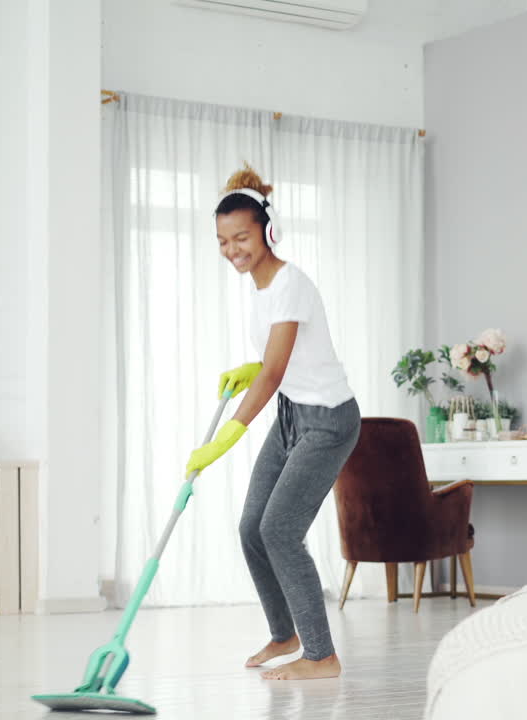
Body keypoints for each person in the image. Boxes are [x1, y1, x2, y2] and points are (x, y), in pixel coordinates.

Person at [185, 164, 360, 681]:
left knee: (280, 529)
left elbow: (277, 371)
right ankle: (285, 632)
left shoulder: (291, 284)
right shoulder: (260, 289)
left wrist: (225, 439)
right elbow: (275, 364)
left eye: (240, 236)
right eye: (222, 240)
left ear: (267, 231)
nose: (231, 249)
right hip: (291, 415)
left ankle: (321, 655)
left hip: (328, 420)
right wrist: (250, 369)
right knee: (251, 528)